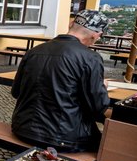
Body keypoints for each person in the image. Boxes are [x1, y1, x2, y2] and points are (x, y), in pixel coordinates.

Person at [11, 9, 111, 153]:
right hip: (64, 138)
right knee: (109, 144)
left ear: (71, 23)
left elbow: (16, 92)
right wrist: (102, 86)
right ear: (96, 35)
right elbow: (98, 107)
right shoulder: (91, 58)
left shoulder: (34, 51)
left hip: (22, 128)